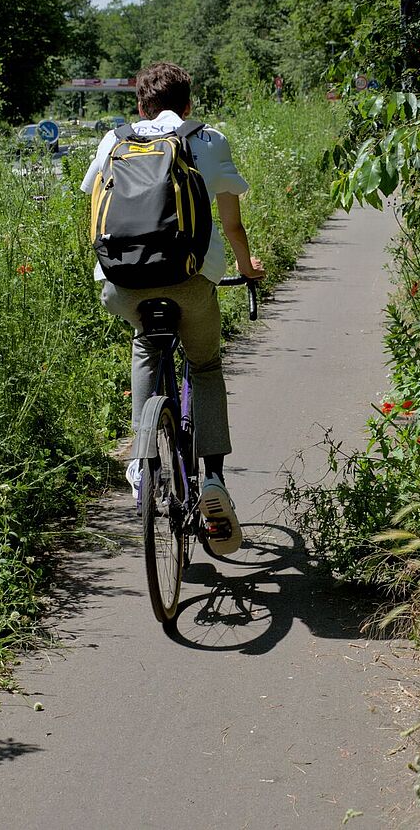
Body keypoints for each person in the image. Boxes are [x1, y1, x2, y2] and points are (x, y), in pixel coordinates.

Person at [80, 62, 264, 554]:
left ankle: (142, 462)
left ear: (138, 106)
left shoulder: (112, 141)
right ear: (188, 105)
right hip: (189, 280)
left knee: (146, 344)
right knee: (203, 366)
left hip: (123, 284)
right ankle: (213, 480)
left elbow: (96, 212)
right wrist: (247, 267)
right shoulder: (208, 140)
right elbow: (232, 224)